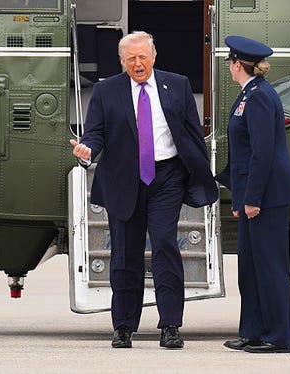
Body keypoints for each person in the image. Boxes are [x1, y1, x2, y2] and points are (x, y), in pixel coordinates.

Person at [69, 31, 217, 349]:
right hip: (124, 179)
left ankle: (170, 326)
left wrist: (199, 172)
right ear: (122, 62)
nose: (138, 63)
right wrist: (87, 151)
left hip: (166, 178)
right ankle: (123, 325)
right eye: (131, 59)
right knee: (124, 253)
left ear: (153, 56)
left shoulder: (176, 85)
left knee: (165, 244)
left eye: (143, 57)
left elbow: (191, 132)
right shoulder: (107, 90)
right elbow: (95, 133)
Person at [217, 36, 290, 354]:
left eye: (230, 61)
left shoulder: (260, 97)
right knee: (250, 268)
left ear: (238, 64)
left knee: (270, 267)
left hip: (268, 196)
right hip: (253, 195)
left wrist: (252, 198)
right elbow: (243, 155)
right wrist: (241, 197)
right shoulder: (249, 94)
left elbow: (261, 153)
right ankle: (253, 331)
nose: (229, 65)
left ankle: (279, 336)